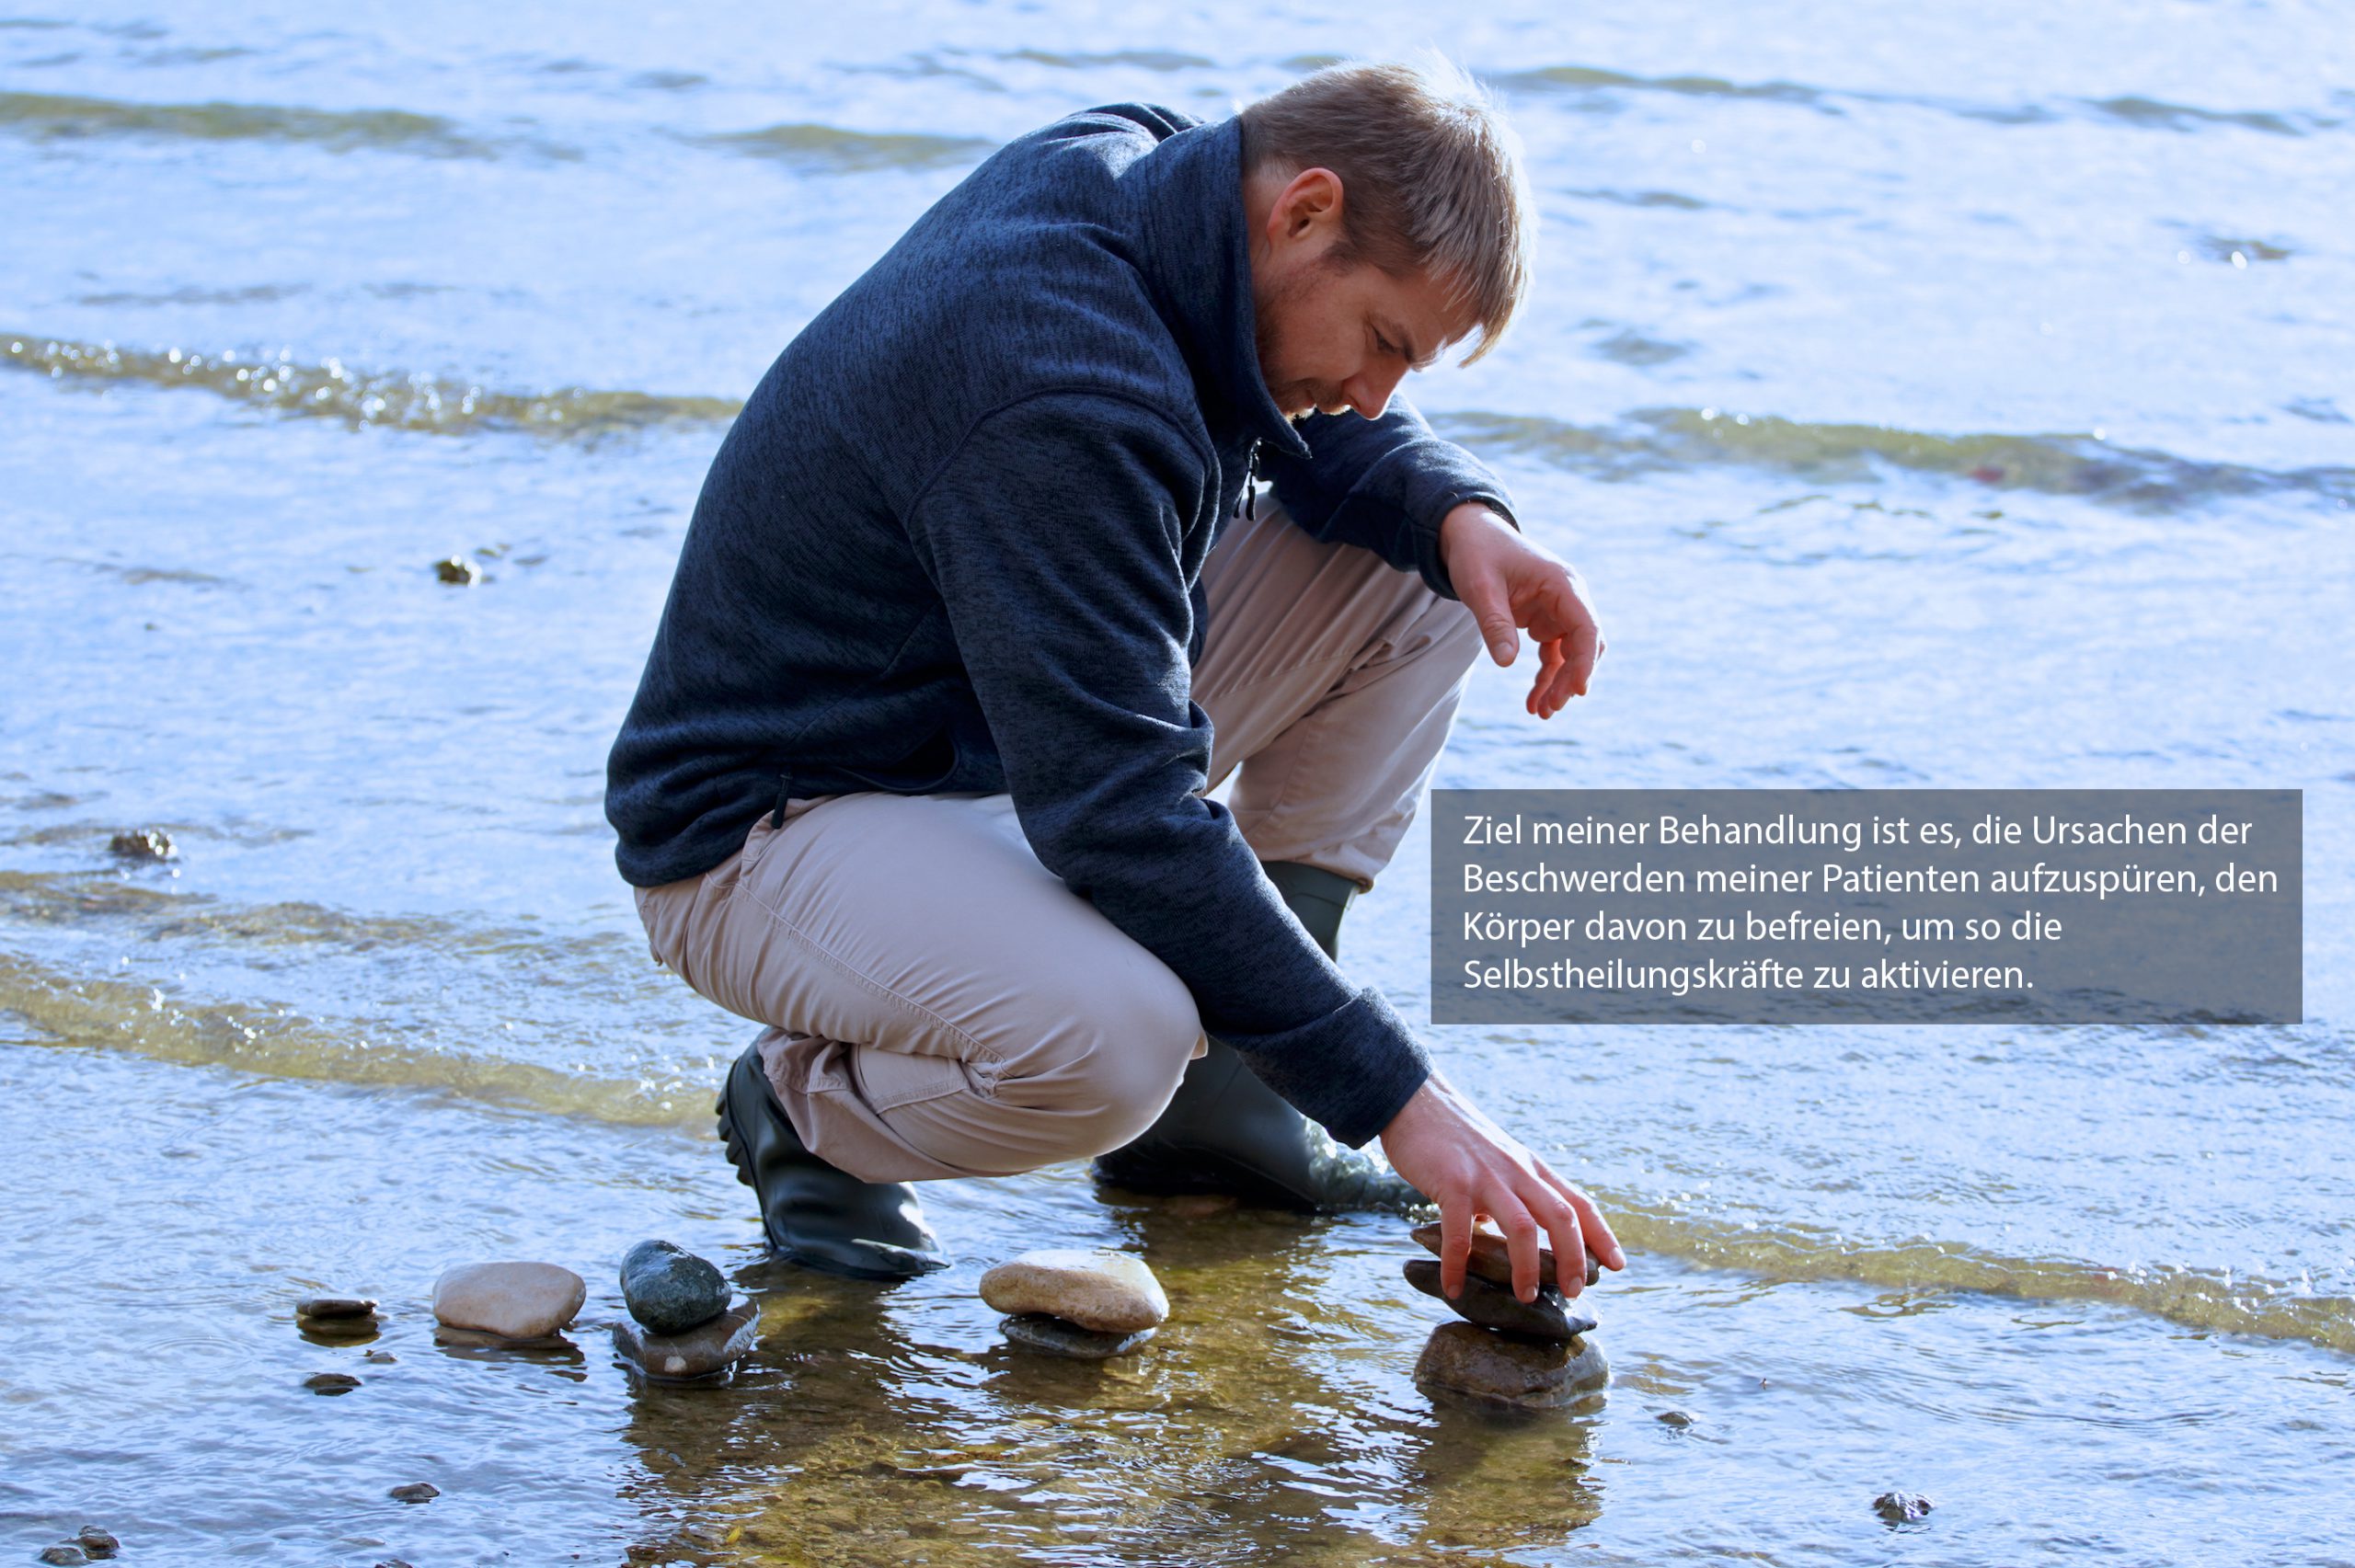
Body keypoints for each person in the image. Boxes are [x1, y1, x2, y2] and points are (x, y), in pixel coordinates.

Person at [606, 57, 1625, 1307]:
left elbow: (1290, 422)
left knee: (1429, 574)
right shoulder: (1062, 384)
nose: (1373, 393)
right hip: (768, 827)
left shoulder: (1149, 168)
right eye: (1383, 342)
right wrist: (1402, 1102)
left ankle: (1232, 1104)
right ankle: (810, 1109)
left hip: (989, 731)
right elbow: (1124, 819)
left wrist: (1456, 508)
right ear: (1302, 211)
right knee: (1118, 1034)